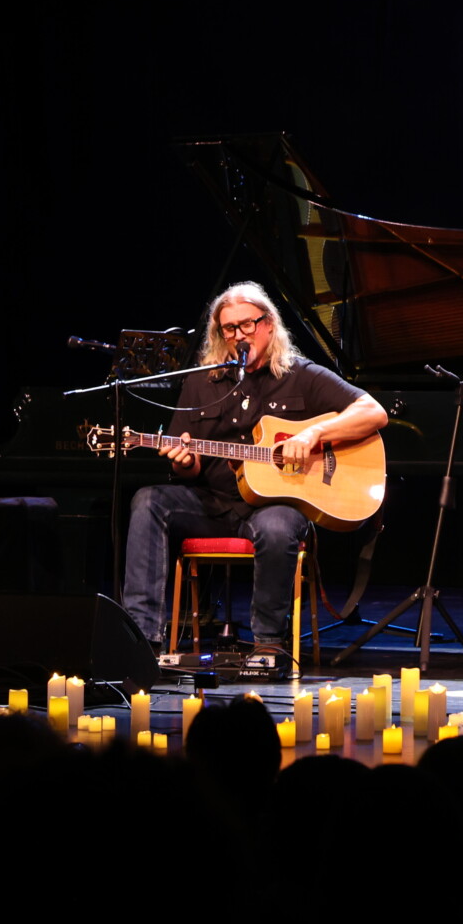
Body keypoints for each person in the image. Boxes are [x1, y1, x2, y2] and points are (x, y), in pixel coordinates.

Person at [122, 281, 388, 663]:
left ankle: (268, 645)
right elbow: (188, 455)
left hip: (273, 508)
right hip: (212, 505)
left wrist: (313, 434)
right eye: (229, 329)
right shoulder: (202, 380)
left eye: (247, 324)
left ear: (268, 324)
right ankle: (141, 640)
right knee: (148, 501)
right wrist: (185, 461)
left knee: (277, 527)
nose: (238, 336)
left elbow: (373, 413)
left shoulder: (301, 375)